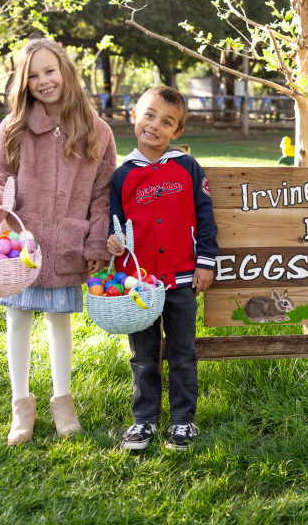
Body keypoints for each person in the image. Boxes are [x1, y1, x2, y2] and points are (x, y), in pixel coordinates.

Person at [0, 36, 117, 445]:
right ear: (24, 82)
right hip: (20, 244)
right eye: (33, 76)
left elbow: (102, 195)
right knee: (17, 318)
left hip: (67, 243)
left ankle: (62, 401)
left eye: (50, 71)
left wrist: (95, 244)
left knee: (58, 320)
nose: (43, 81)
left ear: (65, 70)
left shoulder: (97, 131)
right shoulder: (14, 126)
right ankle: (21, 405)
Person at [107, 86, 218, 451]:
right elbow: (113, 223)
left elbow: (205, 218)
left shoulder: (187, 167)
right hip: (139, 286)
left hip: (183, 279)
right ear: (134, 116)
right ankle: (145, 419)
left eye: (167, 122)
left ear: (177, 131)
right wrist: (111, 240)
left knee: (183, 352)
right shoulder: (121, 175)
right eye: (150, 115)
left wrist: (206, 263)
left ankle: (184, 421)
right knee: (143, 355)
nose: (155, 125)